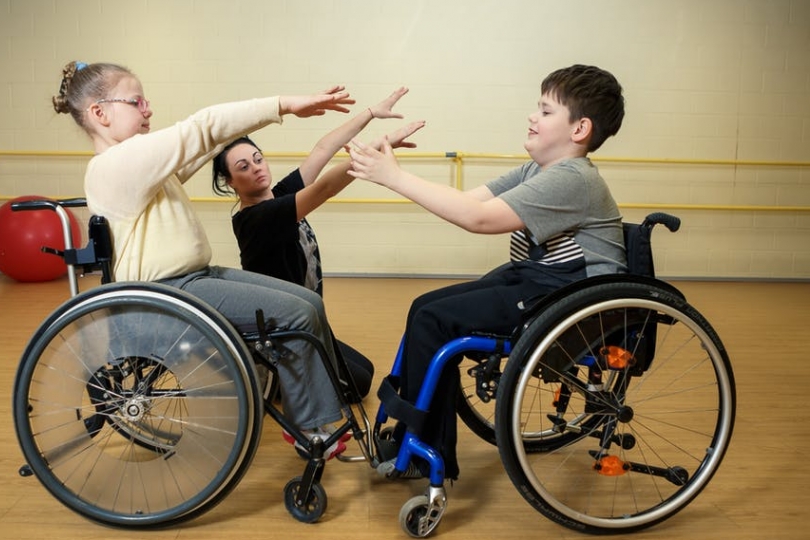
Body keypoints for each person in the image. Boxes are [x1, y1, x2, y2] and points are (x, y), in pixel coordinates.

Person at [52, 60, 356, 460]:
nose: (148, 109)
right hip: (167, 293)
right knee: (297, 316)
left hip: (192, 279)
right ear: (99, 113)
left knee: (309, 304)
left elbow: (209, 142)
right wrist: (284, 104)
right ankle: (310, 428)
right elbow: (204, 126)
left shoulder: (138, 167)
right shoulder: (115, 165)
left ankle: (315, 414)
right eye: (136, 101)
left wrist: (266, 121)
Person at [346, 64, 628, 479]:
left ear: (580, 128)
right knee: (425, 305)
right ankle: (413, 433)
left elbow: (477, 219)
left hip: (572, 298)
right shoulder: (539, 170)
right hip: (542, 282)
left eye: (546, 111)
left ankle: (428, 451)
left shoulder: (573, 178)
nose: (533, 116)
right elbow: (466, 201)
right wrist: (393, 174)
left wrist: (394, 178)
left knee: (434, 319)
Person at [210, 87, 425, 400]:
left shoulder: (278, 195)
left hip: (306, 319)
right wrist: (375, 152)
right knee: (360, 383)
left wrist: (369, 114)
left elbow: (323, 149)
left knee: (363, 367)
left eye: (258, 159)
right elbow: (324, 187)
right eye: (243, 167)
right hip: (283, 327)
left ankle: (290, 372)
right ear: (229, 182)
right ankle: (277, 376)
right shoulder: (257, 218)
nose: (257, 167)